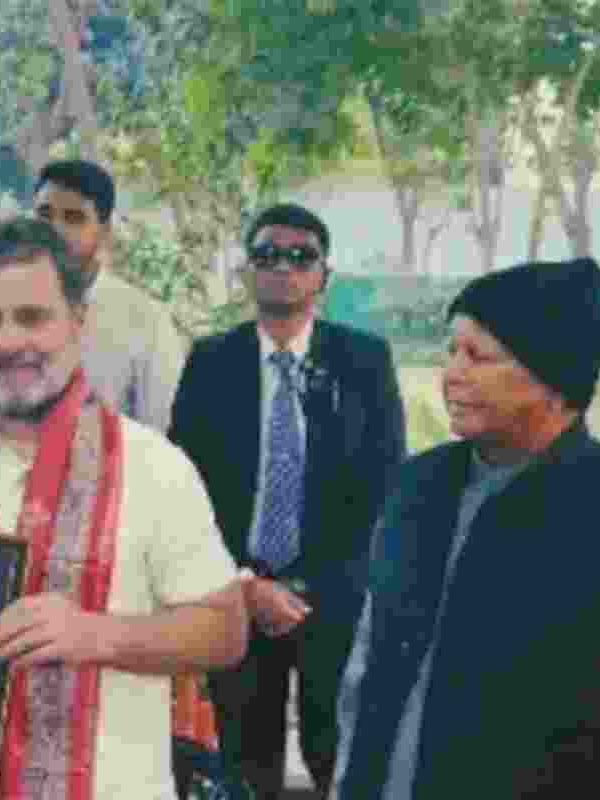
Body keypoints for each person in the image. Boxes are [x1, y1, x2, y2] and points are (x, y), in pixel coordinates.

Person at [0, 215, 248, 799]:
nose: (9, 341)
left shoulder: (155, 466)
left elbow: (226, 631)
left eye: (32, 317)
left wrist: (95, 635)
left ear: (79, 321)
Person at [331, 257, 600, 800]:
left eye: (478, 356)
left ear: (553, 383)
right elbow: (364, 676)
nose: (452, 373)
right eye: (450, 350)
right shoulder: (415, 489)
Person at [169, 203, 405, 799]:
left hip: (334, 596)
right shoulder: (210, 362)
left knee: (340, 756)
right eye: (268, 254)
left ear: (324, 275)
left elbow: (385, 487)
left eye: (302, 256)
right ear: (247, 272)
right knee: (247, 764)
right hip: (237, 593)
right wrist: (247, 583)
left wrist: (305, 591)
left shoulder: (364, 362)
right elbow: (185, 488)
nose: (284, 267)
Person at [0, 160, 186, 431]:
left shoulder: (145, 320)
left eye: (74, 218)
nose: (55, 229)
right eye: (45, 214)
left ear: (105, 232)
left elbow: (161, 431)